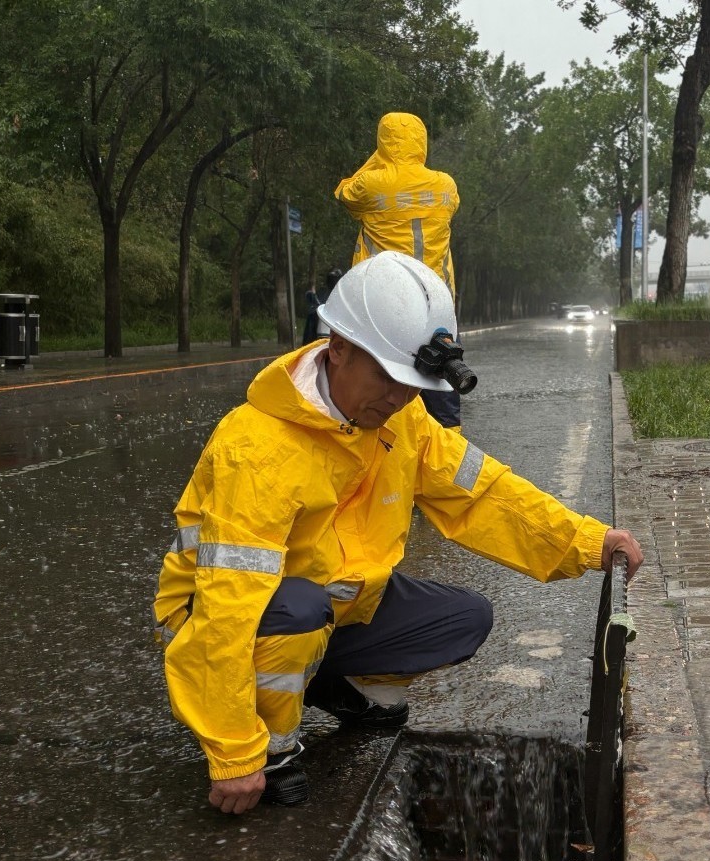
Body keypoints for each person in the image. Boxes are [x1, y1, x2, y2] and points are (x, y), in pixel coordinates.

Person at [153, 251, 643, 815]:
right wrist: (234, 753)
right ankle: (274, 748)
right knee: (298, 610)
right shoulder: (257, 449)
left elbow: (483, 494)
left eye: (412, 384)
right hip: (234, 615)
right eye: (387, 378)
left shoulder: (400, 420)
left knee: (463, 619)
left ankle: (325, 680)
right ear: (338, 348)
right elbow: (226, 610)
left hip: (329, 603)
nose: (399, 397)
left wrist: (588, 542)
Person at [335, 112, 463, 429]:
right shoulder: (445, 185)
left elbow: (344, 193)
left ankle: (382, 446)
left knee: (383, 383)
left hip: (383, 305)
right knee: (440, 380)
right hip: (437, 303)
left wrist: (379, 160)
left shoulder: (370, 185)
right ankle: (449, 446)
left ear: (383, 142)